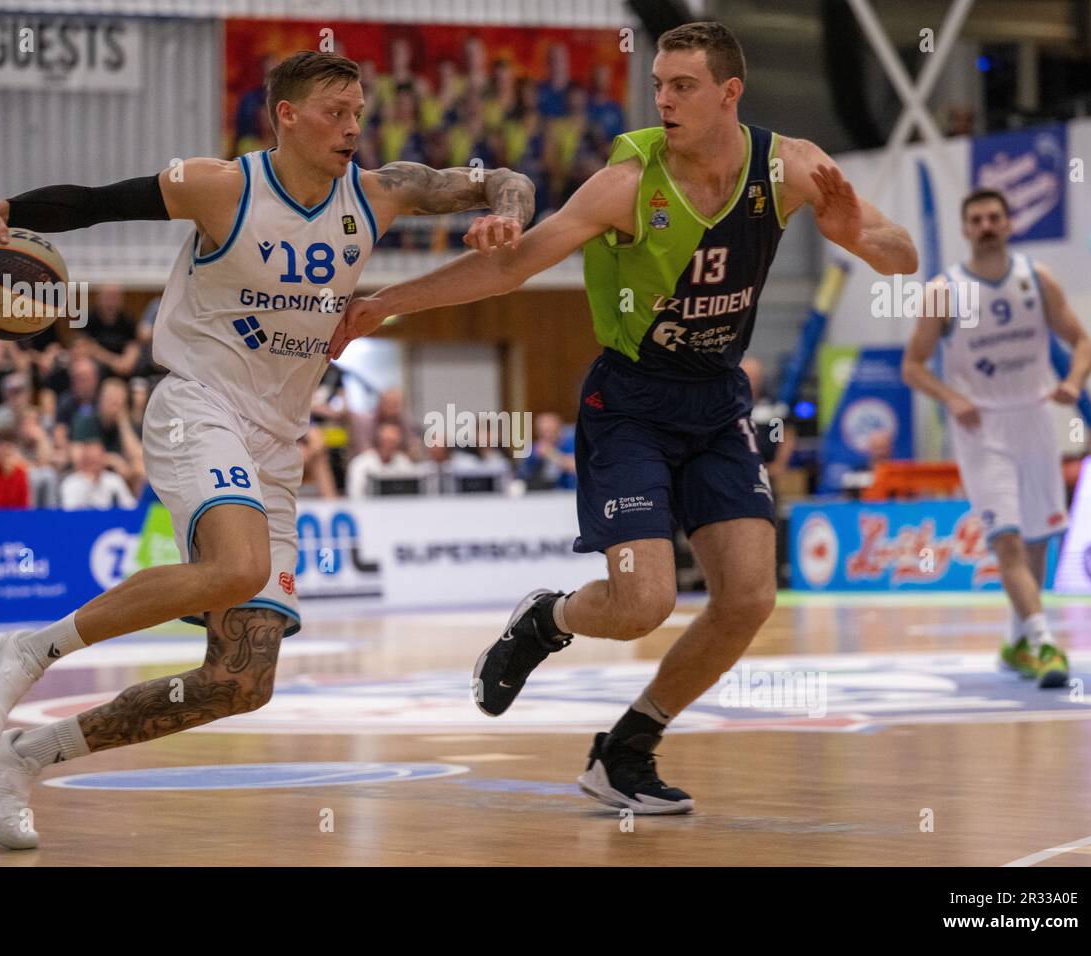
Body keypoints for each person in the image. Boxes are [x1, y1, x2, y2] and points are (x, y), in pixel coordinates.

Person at [0, 49, 535, 849]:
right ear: (285, 115)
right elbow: (94, 201)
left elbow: (502, 180)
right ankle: (23, 650)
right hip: (197, 402)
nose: (352, 127)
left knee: (240, 682)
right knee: (237, 566)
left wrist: (509, 209)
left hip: (277, 442)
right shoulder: (221, 186)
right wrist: (4, 207)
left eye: (359, 111)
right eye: (335, 111)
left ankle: (18, 759)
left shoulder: (381, 192)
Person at [332, 21, 917, 814]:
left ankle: (628, 748)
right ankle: (546, 620)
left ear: (729, 94)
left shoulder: (791, 166)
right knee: (643, 602)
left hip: (716, 402)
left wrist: (861, 237)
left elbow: (903, 253)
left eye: (682, 86)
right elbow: (512, 265)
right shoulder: (627, 181)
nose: (664, 99)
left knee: (747, 599)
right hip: (631, 404)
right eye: (659, 85)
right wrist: (383, 308)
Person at [902, 188, 1091, 688]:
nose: (986, 224)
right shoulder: (946, 290)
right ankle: (1043, 642)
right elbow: (913, 365)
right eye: (976, 218)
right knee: (1006, 537)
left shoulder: (1038, 279)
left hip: (1033, 420)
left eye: (994, 216)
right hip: (980, 427)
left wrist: (1073, 382)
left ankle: (1017, 642)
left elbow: (1084, 341)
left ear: (1009, 224)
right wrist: (951, 398)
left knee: (1036, 540)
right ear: (965, 229)